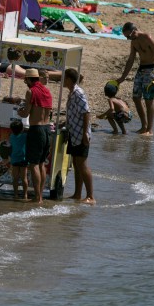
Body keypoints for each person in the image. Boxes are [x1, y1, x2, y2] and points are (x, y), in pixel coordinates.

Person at [115, 21, 154, 136]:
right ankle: (143, 126)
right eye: (126, 37)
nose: (128, 39)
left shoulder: (147, 37)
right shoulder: (133, 42)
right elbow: (131, 60)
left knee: (148, 100)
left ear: (134, 31)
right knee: (136, 98)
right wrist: (122, 78)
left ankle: (150, 130)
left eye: (128, 36)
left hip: (151, 70)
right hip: (141, 70)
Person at [17, 68, 53, 204]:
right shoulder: (47, 91)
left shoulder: (31, 91)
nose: (25, 82)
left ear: (28, 79)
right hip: (47, 129)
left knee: (33, 164)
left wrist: (19, 111)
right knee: (42, 163)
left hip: (36, 129)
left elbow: (26, 113)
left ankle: (37, 198)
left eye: (25, 79)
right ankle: (40, 196)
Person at [62, 68, 94, 204]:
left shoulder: (78, 93)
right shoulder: (72, 93)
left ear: (69, 79)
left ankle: (90, 196)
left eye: (64, 78)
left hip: (80, 134)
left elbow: (86, 112)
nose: (62, 80)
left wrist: (85, 133)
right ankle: (77, 194)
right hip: (74, 132)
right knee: (76, 163)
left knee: (82, 164)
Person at [9, 119, 29, 201]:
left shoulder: (11, 136)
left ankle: (16, 194)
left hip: (14, 159)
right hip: (23, 158)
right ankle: (25, 195)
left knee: (15, 178)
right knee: (24, 178)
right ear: (22, 129)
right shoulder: (25, 136)